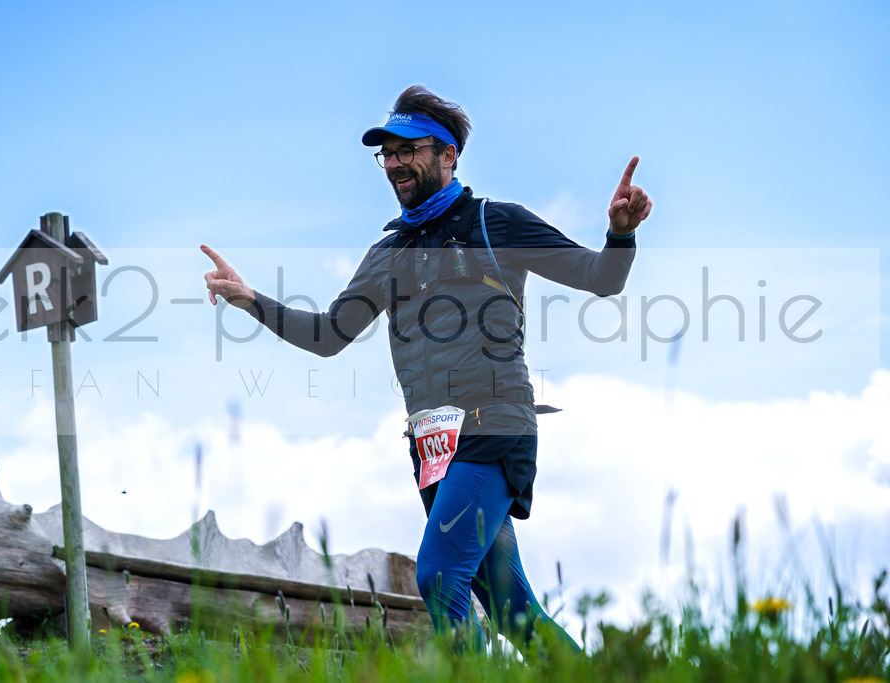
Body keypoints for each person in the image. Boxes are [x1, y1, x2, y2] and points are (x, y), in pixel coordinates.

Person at [201, 85, 651, 650]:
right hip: (432, 446)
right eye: (387, 154)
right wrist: (250, 300)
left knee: (439, 576)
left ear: (448, 154)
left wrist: (620, 235)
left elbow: (600, 278)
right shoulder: (388, 254)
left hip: (493, 426)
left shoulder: (496, 223)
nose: (394, 163)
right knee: (512, 612)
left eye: (408, 149)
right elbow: (327, 336)